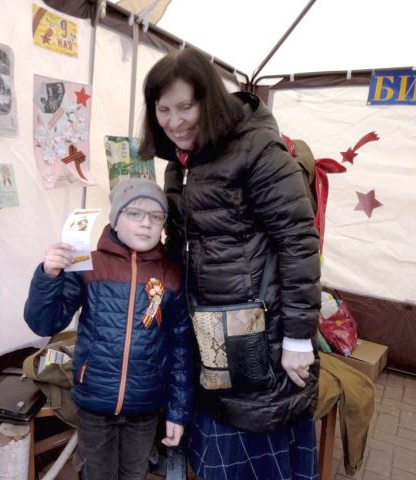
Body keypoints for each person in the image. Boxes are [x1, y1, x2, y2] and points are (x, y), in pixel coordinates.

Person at [139, 48, 321, 479]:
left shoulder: (256, 148)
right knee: (216, 453)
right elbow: (179, 246)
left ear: (209, 101)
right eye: (163, 110)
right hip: (208, 336)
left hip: (259, 335)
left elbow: (298, 241)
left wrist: (298, 337)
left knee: (258, 442)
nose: (175, 121)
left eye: (185, 106)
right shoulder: (179, 165)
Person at [24, 178, 193, 480]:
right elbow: (44, 323)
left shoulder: (171, 275)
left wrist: (177, 413)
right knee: (97, 473)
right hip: (94, 403)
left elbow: (181, 349)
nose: (146, 223)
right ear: (115, 219)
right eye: (135, 213)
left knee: (135, 474)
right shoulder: (88, 265)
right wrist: (48, 276)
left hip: (145, 406)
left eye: (156, 216)